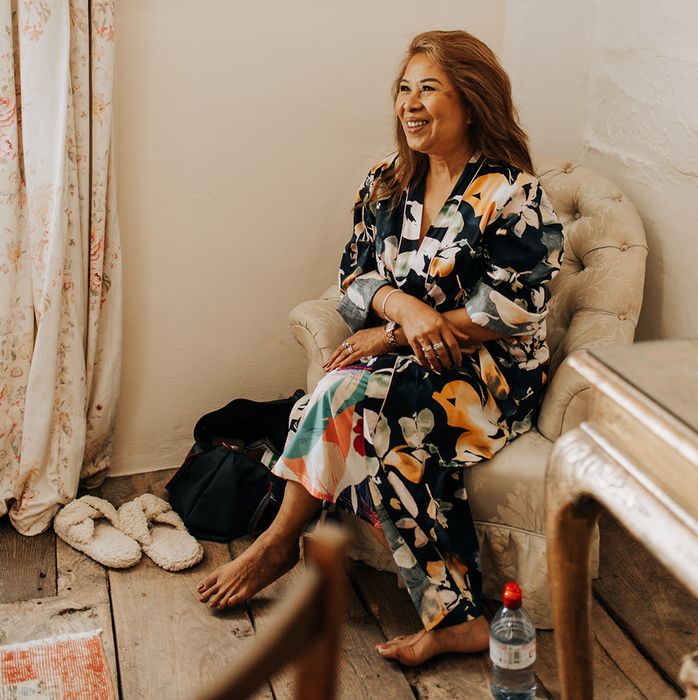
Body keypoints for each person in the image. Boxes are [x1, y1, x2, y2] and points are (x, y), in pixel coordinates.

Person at [197, 29, 563, 666]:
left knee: (346, 395)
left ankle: (280, 540)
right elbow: (353, 279)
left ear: (471, 101)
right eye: (403, 89)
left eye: (429, 89)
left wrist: (393, 330)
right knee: (380, 428)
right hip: (403, 361)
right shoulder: (386, 183)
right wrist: (402, 307)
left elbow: (515, 307)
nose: (410, 104)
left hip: (490, 372)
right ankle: (461, 618)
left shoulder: (512, 193)